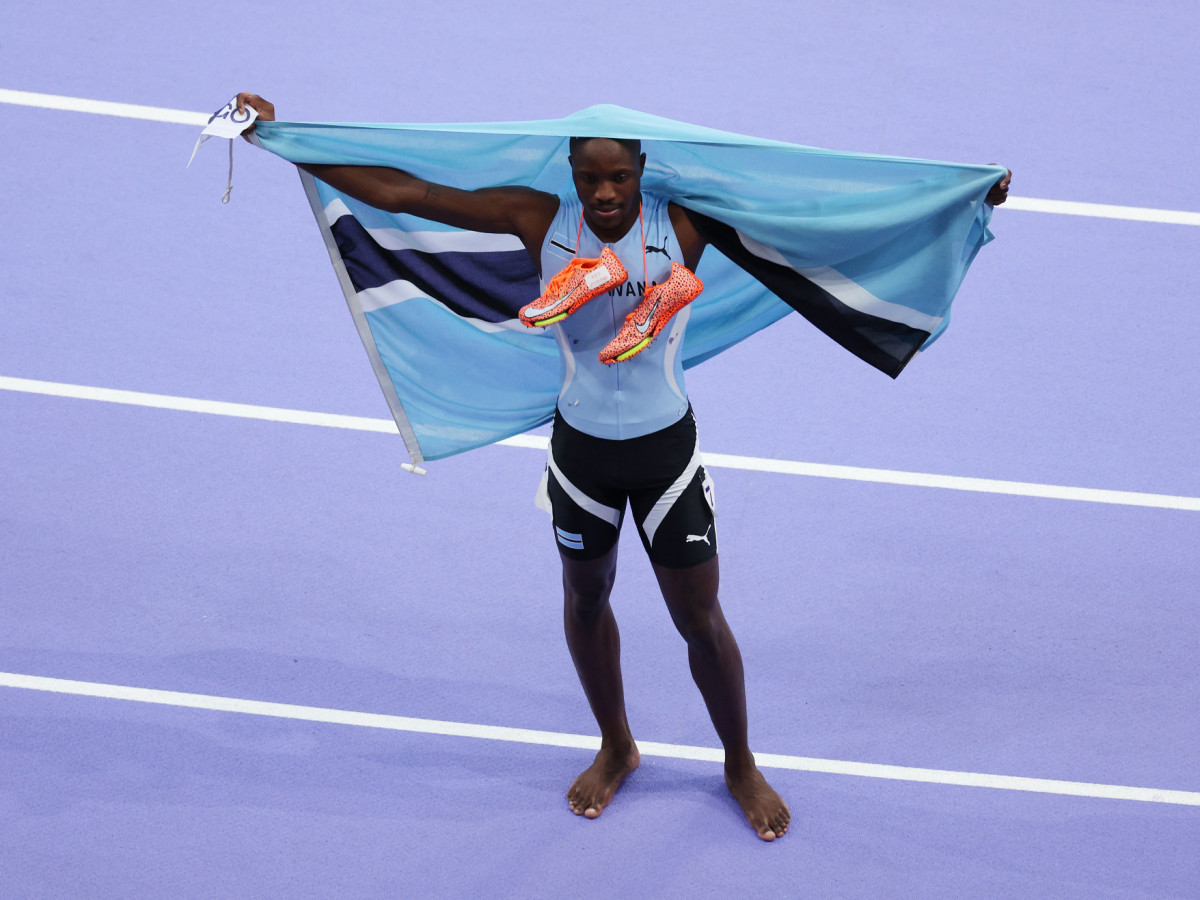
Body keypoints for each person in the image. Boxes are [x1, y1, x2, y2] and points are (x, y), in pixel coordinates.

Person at [234, 93, 1010, 841]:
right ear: (568, 172)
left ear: (643, 169)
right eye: (588, 178)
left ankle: (740, 764)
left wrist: (960, 198)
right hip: (581, 458)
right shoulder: (537, 217)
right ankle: (617, 745)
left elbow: (821, 219)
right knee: (583, 598)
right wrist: (283, 139)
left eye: (618, 177)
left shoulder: (684, 222)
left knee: (700, 620)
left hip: (665, 453)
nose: (604, 193)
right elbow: (410, 191)